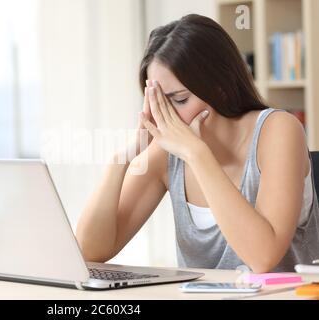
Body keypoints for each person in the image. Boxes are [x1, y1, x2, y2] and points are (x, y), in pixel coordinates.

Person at [75, 14, 319, 273]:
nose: (165, 117)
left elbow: (262, 258)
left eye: (179, 100)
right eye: (158, 102)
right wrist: (121, 160)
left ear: (219, 87)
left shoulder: (278, 130)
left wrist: (197, 154)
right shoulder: (166, 155)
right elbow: (90, 251)